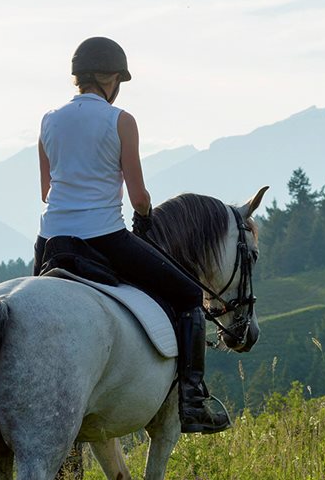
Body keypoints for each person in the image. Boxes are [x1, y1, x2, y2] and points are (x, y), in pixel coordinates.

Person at [33, 36, 229, 434]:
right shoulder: (120, 120)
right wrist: (144, 214)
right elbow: (138, 196)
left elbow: (46, 192)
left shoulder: (48, 120)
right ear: (111, 79)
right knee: (190, 295)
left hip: (50, 242)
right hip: (104, 237)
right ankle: (192, 399)